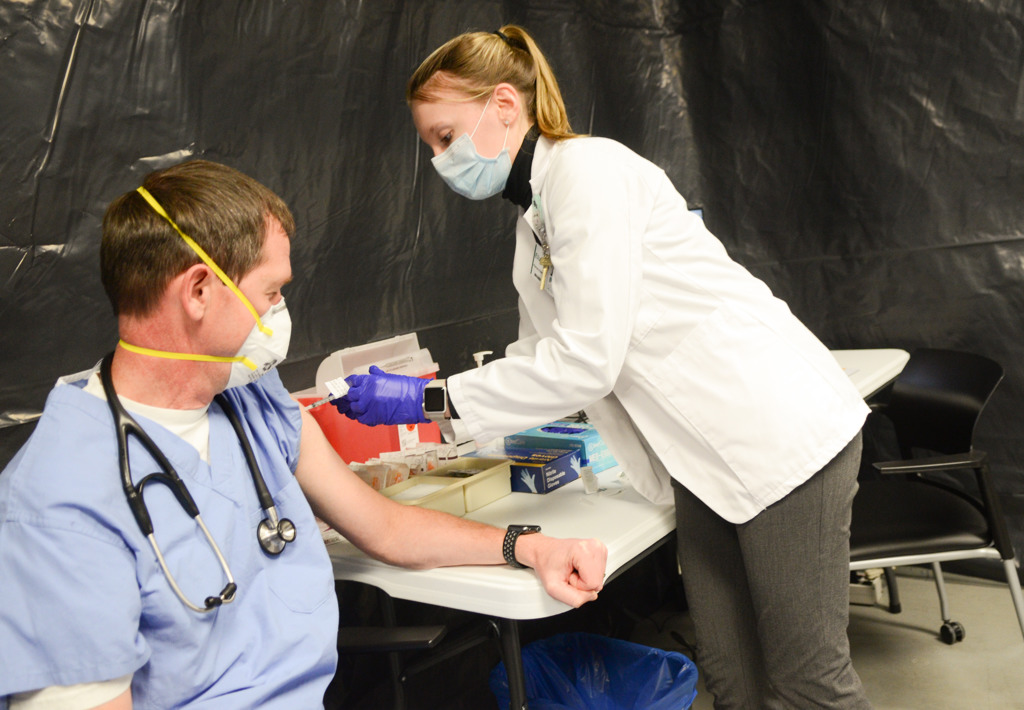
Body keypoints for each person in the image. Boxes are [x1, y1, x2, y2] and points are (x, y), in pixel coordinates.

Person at [335, 25, 873, 709]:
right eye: (431, 145)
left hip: (780, 435)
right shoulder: (534, 220)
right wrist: (432, 415)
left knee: (806, 685)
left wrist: (430, 399)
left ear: (504, 104)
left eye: (445, 137)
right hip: (703, 461)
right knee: (735, 681)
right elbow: (539, 356)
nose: (440, 159)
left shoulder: (589, 175)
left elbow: (584, 360)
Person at [0, 159, 608, 710]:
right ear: (198, 291)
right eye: (272, 293)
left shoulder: (248, 401)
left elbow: (384, 526)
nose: (280, 314)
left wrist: (527, 545)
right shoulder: (60, 500)